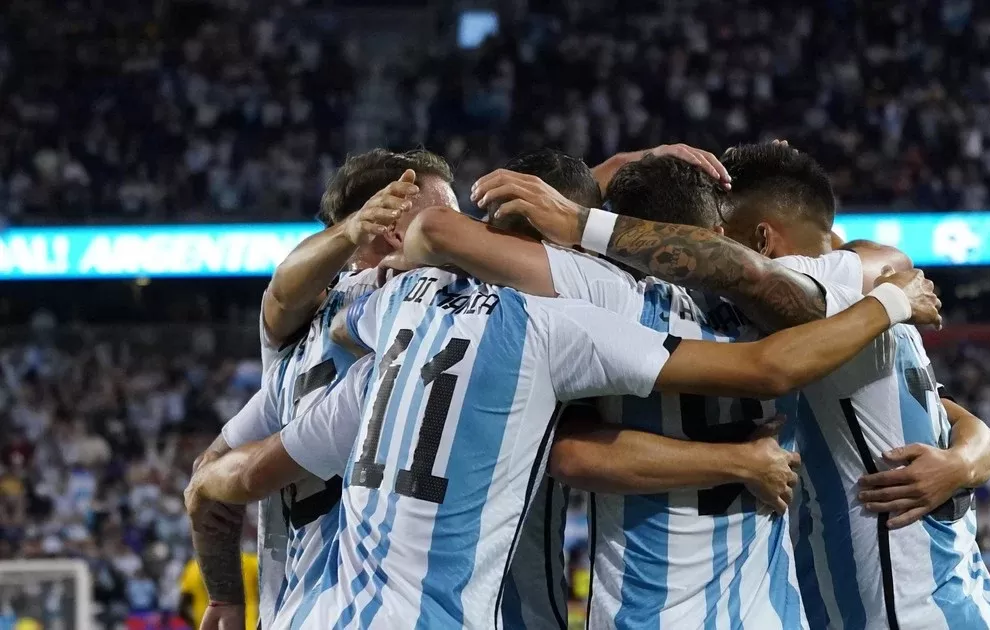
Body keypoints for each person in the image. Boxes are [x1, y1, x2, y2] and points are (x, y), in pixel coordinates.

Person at [186, 213, 941, 629]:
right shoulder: (557, 330)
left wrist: (210, 527)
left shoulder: (384, 331)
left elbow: (231, 478)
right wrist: (896, 303)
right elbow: (766, 368)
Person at [469, 144, 990, 629]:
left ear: (757, 240)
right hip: (923, 605)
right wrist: (972, 453)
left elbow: (745, 278)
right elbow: (938, 400)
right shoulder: (861, 304)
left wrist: (580, 215)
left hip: (902, 614)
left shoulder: (807, 302)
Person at [188, 148, 457, 630]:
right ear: (395, 227)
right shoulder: (438, 306)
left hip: (291, 611)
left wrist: (225, 599)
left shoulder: (295, 349)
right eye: (448, 216)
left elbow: (204, 480)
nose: (463, 230)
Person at [178, 552, 258, 630]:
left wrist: (196, 625)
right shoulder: (248, 561)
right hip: (245, 624)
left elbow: (182, 608)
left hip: (206, 625)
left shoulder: (193, 567)